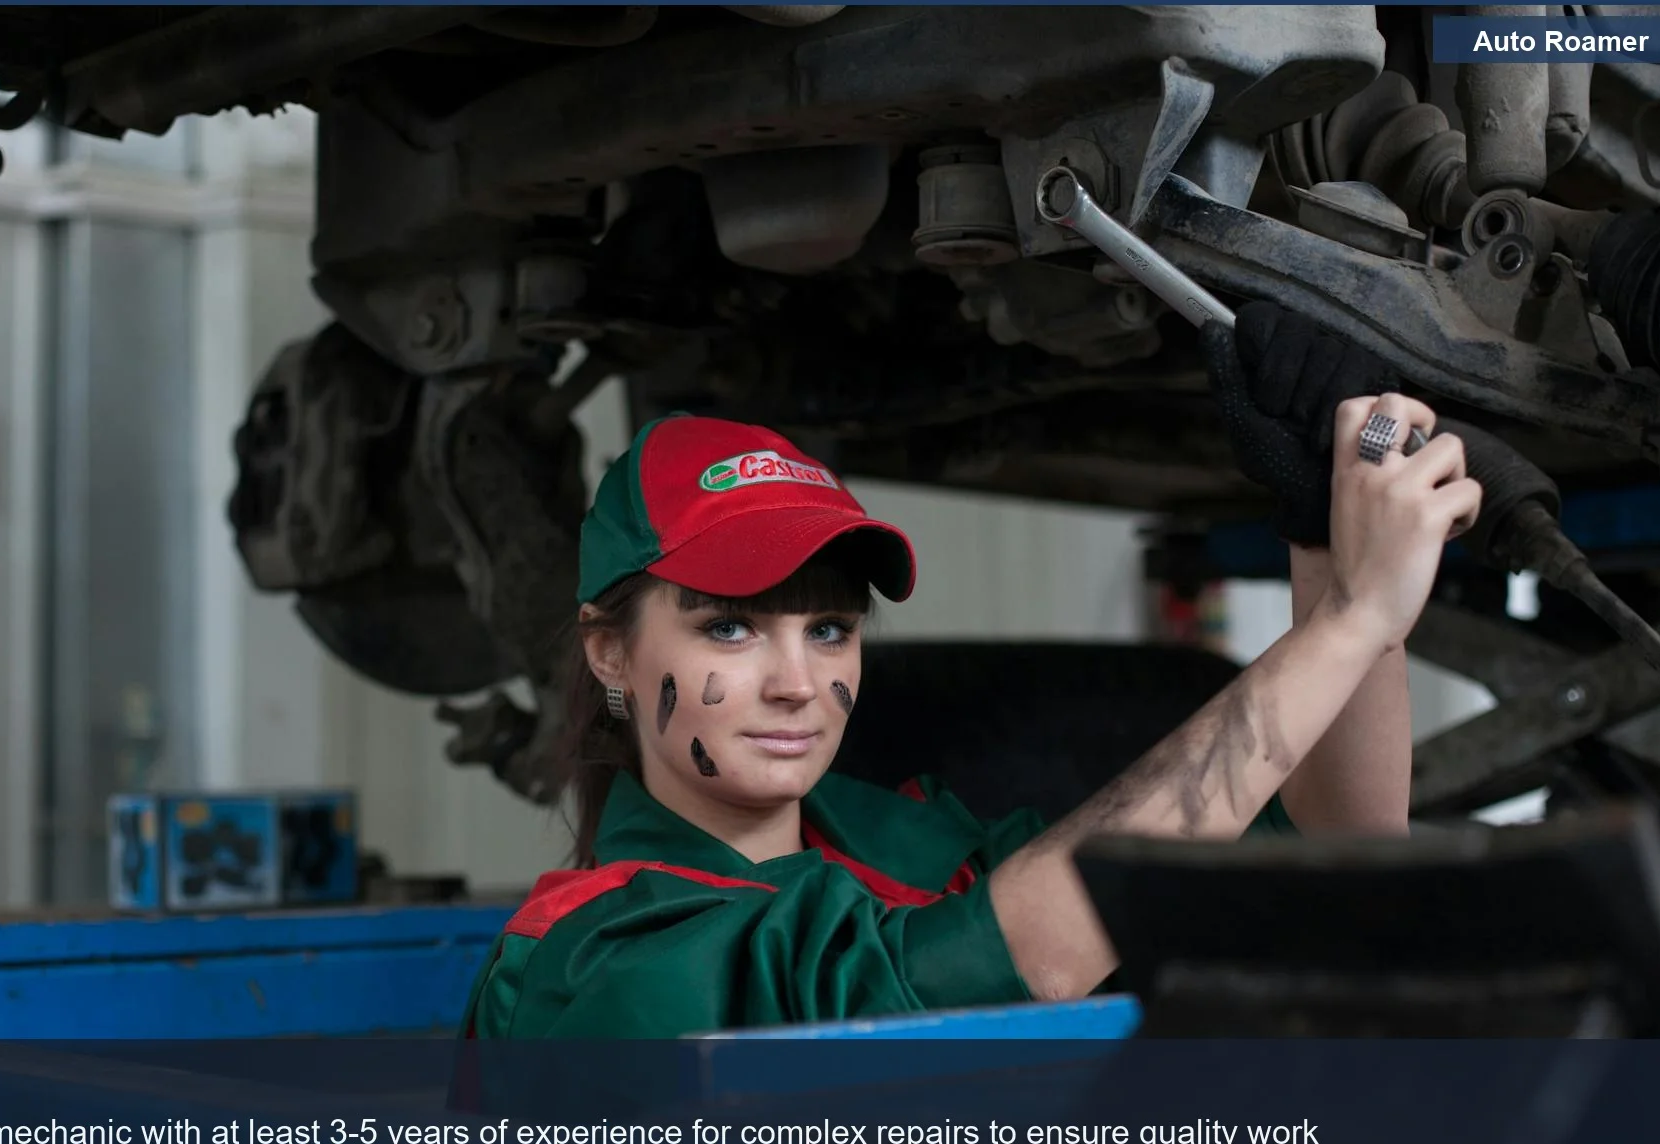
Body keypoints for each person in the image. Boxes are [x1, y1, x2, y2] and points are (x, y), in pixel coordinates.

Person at [456, 306, 1482, 1039]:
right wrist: (1350, 618)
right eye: (728, 629)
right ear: (609, 653)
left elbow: (1327, 852)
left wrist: (1322, 538)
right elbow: (987, 971)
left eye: (826, 628)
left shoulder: (905, 839)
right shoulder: (591, 961)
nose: (794, 681)